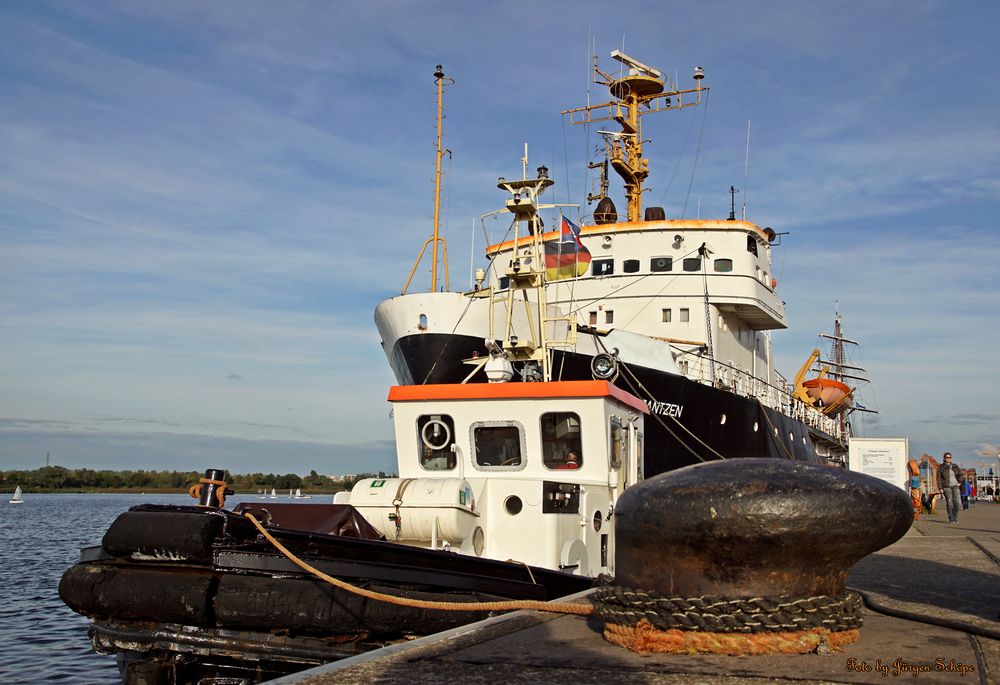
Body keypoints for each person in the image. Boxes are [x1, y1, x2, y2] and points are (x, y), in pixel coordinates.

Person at [936, 452, 964, 524]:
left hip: (955, 486)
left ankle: (955, 516)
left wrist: (960, 482)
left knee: (957, 502)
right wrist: (940, 488)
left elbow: (960, 474)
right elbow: (938, 478)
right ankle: (951, 517)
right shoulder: (941, 467)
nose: (948, 458)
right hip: (946, 486)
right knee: (949, 502)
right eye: (947, 457)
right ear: (944, 458)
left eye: (950, 457)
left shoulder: (955, 466)